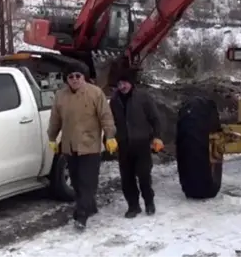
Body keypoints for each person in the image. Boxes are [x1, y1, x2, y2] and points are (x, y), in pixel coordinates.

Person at [47, 62, 118, 230]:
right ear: (67, 79)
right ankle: (89, 207)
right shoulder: (60, 96)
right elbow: (55, 119)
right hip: (70, 146)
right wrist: (52, 137)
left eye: (77, 76)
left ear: (84, 77)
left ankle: (81, 216)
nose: (74, 79)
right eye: (70, 77)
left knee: (88, 182)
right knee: (77, 183)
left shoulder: (95, 93)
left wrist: (110, 136)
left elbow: (106, 117)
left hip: (90, 145)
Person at [109, 70, 163, 218]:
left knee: (144, 175)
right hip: (124, 145)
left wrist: (157, 137)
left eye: (125, 83)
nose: (122, 86)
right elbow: (109, 122)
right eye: (119, 84)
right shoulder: (114, 101)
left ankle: (149, 202)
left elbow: (155, 118)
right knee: (127, 178)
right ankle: (133, 206)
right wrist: (109, 138)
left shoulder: (143, 97)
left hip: (142, 143)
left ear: (131, 83)